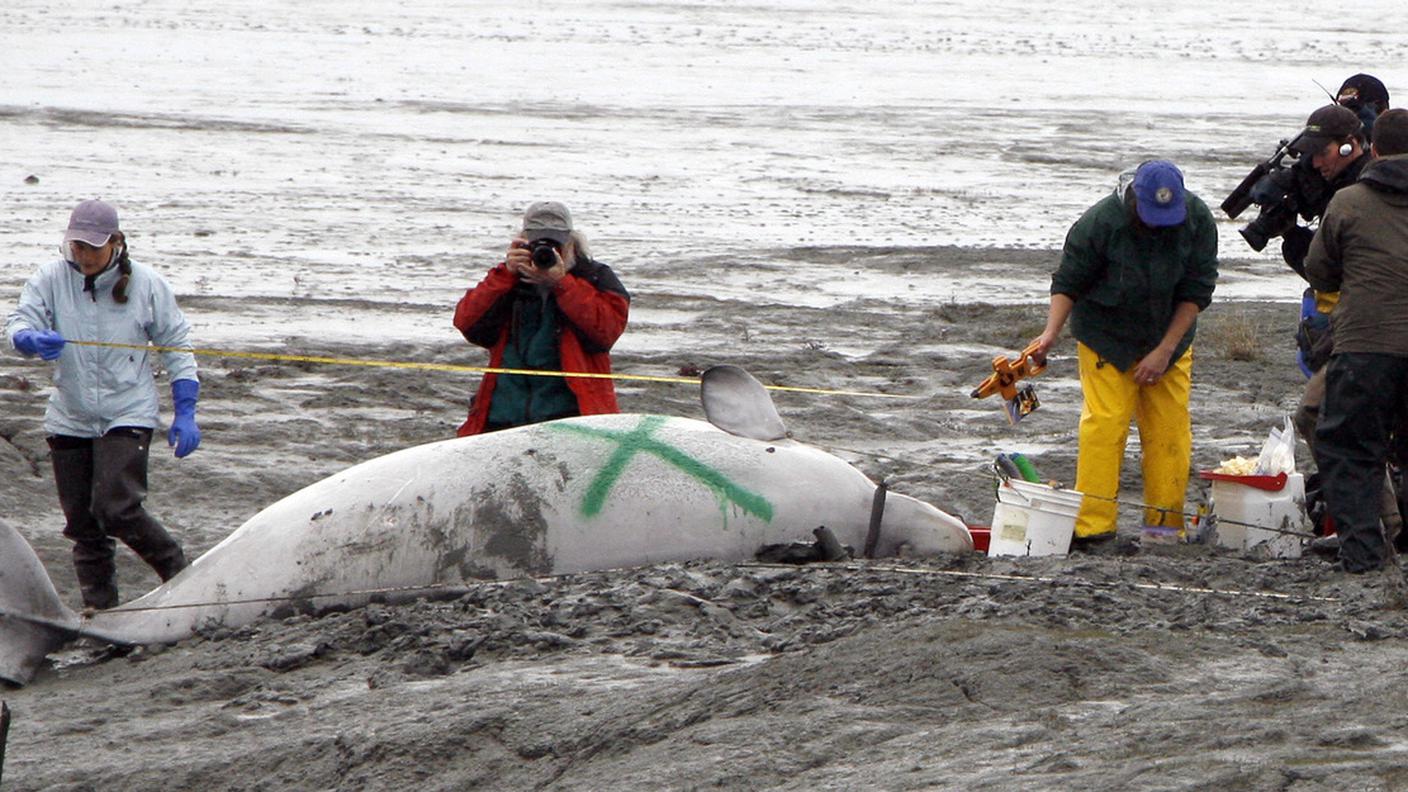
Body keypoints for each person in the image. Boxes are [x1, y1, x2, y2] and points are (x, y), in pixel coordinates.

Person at [5, 199, 201, 609]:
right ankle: (102, 609)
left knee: (117, 508)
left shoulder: (147, 285)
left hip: (127, 411)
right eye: (77, 246)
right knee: (82, 523)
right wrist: (29, 339)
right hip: (69, 416)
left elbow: (177, 347)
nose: (84, 255)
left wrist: (185, 411)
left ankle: (181, 575)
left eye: (93, 247)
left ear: (116, 242)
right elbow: (20, 323)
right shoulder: (51, 279)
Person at [1028, 160, 1219, 545]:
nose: (1158, 224)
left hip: (1169, 337)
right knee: (1105, 425)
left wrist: (1164, 351)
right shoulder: (1100, 222)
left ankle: (1164, 528)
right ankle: (1094, 527)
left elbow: (1196, 291)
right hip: (1106, 336)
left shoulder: (1197, 219)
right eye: (1151, 215)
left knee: (1169, 430)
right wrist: (1050, 334)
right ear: (1134, 198)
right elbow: (1068, 281)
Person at [1303, 108, 1408, 573]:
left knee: (1348, 448)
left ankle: (1365, 554)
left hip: (1367, 346)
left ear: (1375, 149)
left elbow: (1320, 270)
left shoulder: (1348, 202)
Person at [453, 202, 629, 436]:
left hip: (573, 416)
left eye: (556, 243)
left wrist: (562, 284)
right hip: (503, 418)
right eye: (538, 243)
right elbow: (467, 323)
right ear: (523, 242)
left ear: (571, 242)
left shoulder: (595, 277)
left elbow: (605, 332)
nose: (547, 251)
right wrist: (506, 274)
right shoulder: (507, 279)